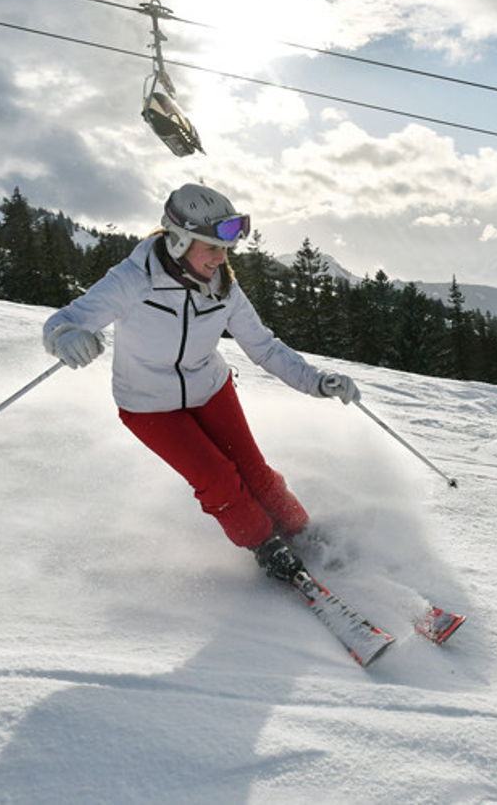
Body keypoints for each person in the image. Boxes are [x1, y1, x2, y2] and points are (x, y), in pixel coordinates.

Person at [42, 183, 360, 584]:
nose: (222, 258)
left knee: (255, 472)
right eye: (211, 247)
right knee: (218, 481)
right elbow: (62, 321)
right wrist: (65, 337)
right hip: (149, 405)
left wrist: (317, 381)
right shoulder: (132, 279)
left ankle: (301, 531)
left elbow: (263, 347)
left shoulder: (224, 286)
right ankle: (265, 545)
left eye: (225, 248)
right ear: (177, 242)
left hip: (210, 388)